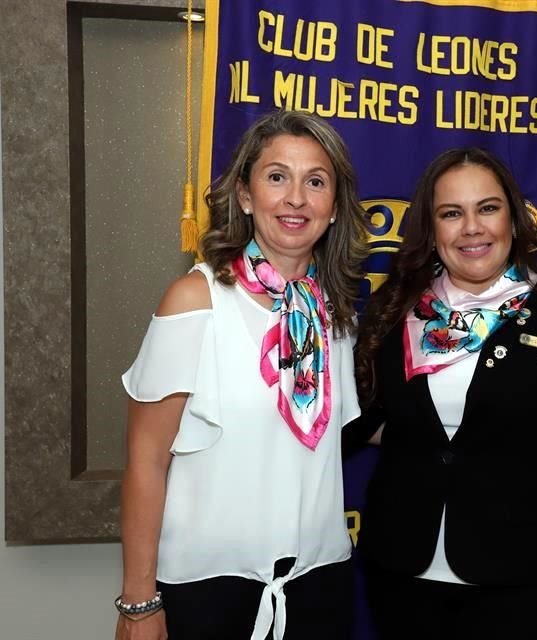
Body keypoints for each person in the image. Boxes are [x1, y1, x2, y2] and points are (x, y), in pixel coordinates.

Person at [116, 110, 368, 640]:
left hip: (319, 585)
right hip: (207, 591)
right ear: (246, 195)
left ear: (335, 206)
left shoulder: (337, 317)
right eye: (277, 177)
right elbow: (145, 462)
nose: (296, 198)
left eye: (315, 182)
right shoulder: (196, 299)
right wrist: (139, 603)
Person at [350, 148, 537, 640]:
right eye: (452, 213)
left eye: (487, 208)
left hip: (521, 585)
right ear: (432, 231)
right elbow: (361, 417)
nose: (472, 227)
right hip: (402, 577)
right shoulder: (395, 309)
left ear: (514, 220)